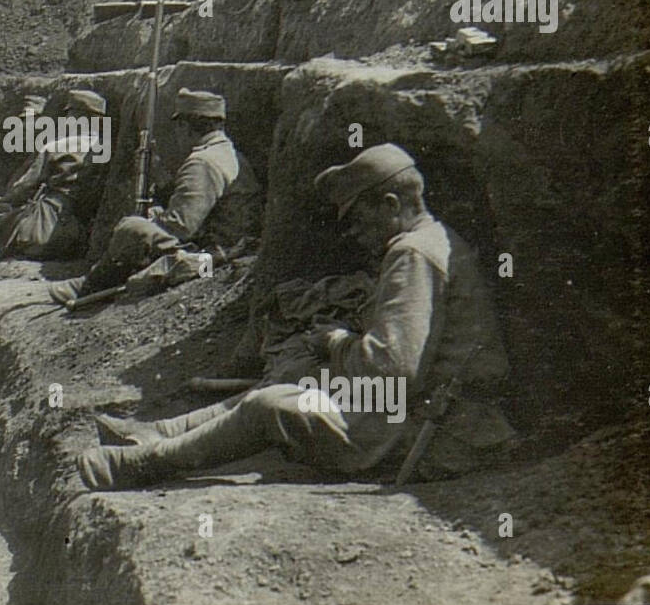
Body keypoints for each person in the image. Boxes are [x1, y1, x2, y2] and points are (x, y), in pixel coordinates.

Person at [77, 143, 518, 490]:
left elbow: (393, 370)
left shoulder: (412, 254)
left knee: (269, 405)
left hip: (432, 429)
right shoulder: (430, 241)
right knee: (291, 380)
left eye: (359, 217)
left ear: (389, 204)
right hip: (423, 410)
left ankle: (144, 463)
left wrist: (337, 343)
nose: (353, 231)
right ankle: (156, 433)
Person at [48, 87, 260, 304]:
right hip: (232, 249)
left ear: (184, 126)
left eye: (178, 127)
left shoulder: (203, 161)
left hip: (212, 260)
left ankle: (90, 285)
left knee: (132, 227)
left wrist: (152, 220)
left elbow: (181, 227)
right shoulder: (226, 153)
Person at [0, 88, 109, 266]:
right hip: (80, 229)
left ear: (74, 117)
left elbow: (26, 184)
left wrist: (3, 200)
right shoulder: (105, 149)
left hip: (46, 220)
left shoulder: (57, 145)